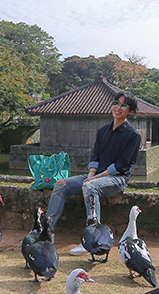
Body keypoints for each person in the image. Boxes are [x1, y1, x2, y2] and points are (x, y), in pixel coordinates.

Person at [46, 91, 142, 255]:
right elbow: (95, 156)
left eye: (123, 105)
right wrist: (91, 174)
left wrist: (95, 178)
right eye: (116, 103)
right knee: (60, 184)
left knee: (90, 187)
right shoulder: (103, 131)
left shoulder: (133, 135)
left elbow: (122, 165)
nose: (118, 108)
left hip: (117, 179)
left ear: (130, 111)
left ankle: (91, 240)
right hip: (95, 176)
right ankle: (47, 233)